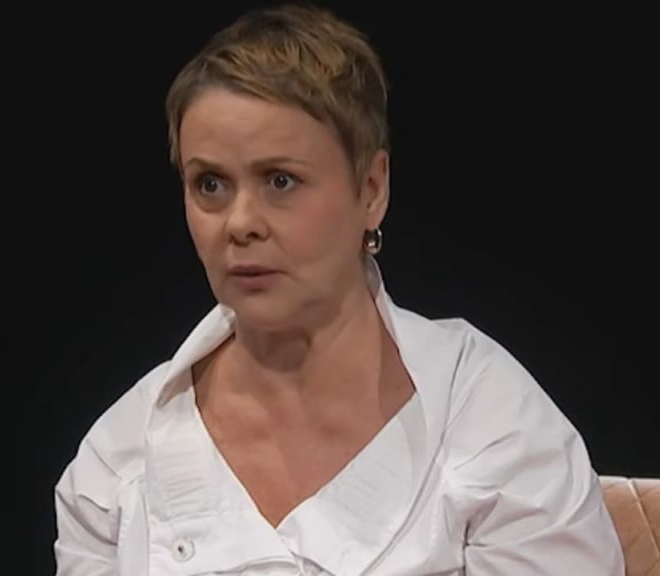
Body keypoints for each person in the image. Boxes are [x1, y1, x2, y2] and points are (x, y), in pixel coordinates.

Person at [54, 3, 625, 574]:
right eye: (210, 184)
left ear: (371, 190)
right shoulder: (118, 462)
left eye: (281, 181)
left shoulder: (491, 425)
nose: (240, 222)